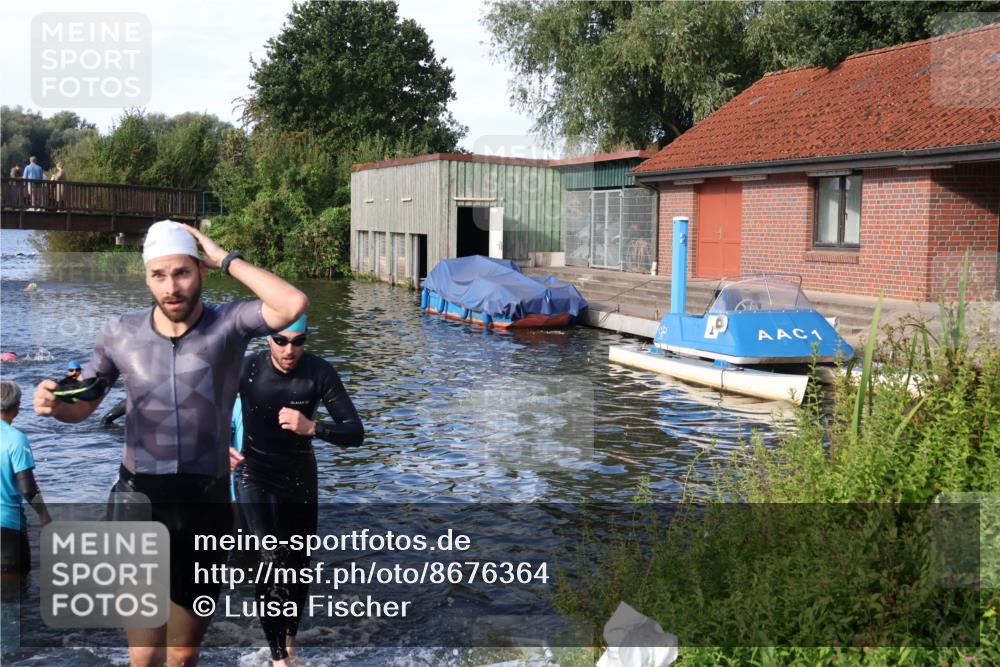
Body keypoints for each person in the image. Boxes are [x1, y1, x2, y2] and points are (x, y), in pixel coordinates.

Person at [33, 219, 308, 667]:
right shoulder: (120, 332)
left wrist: (225, 258)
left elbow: (292, 302)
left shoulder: (230, 324)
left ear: (200, 270)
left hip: (205, 506)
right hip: (138, 501)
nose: (170, 287)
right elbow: (83, 402)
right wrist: (53, 404)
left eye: (181, 272)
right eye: (158, 275)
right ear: (145, 276)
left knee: (182, 656)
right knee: (145, 657)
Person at [229, 314, 364, 666]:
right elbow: (205, 408)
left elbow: (354, 432)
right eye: (281, 340)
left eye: (298, 341)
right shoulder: (247, 369)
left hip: (300, 476)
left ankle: (289, 643)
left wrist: (312, 427)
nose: (290, 350)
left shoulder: (319, 373)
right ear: (267, 338)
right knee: (271, 558)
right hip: (253, 473)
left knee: (298, 565)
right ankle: (278, 659)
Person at [1, 381, 51, 576]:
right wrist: (44, 516)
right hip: (7, 528)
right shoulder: (16, 438)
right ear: (16, 408)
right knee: (14, 596)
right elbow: (28, 488)